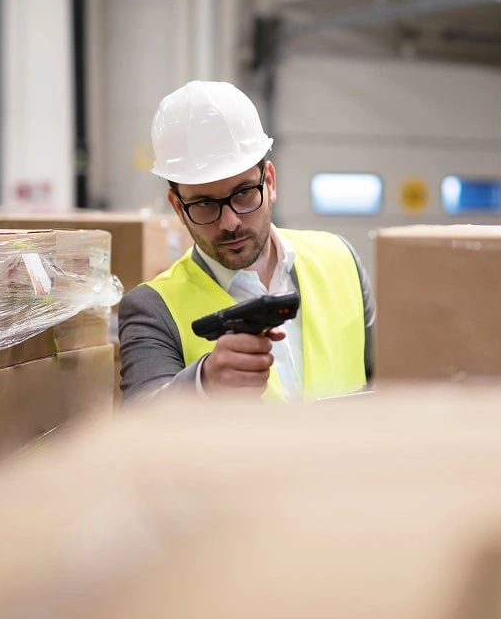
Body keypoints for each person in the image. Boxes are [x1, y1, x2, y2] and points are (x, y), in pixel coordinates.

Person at [118, 80, 375, 403]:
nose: (230, 222)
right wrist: (203, 383)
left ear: (270, 182)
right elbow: (139, 420)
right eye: (204, 204)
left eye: (243, 193)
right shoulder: (153, 308)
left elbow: (395, 385)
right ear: (178, 208)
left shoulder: (341, 260)